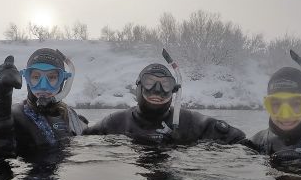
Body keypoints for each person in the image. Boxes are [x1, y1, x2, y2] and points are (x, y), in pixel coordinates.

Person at [84, 62, 247, 146]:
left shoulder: (189, 121)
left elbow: (239, 140)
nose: (157, 90)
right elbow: (82, 140)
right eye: (150, 83)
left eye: (166, 85)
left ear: (173, 90)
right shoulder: (115, 122)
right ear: (139, 86)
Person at [0, 48, 86, 157]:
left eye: (51, 77)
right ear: (27, 79)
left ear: (62, 81)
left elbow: (87, 137)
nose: (43, 86)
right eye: (36, 77)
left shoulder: (69, 114)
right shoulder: (13, 115)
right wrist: (1, 100)